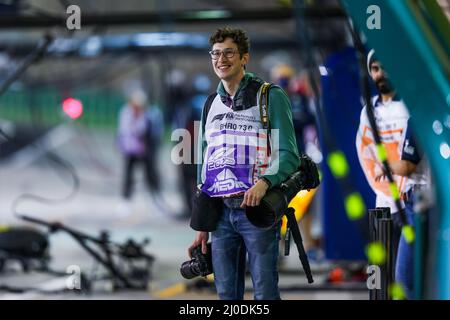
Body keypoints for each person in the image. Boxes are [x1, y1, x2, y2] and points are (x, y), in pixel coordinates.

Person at [188, 27, 300, 300]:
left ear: (244, 57)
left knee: (265, 294)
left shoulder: (269, 96)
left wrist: (265, 183)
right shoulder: (210, 103)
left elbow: (289, 154)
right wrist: (203, 223)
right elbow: (206, 165)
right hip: (221, 216)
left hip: (257, 213)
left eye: (229, 53)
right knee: (226, 295)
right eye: (215, 53)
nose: (221, 59)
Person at [356, 49, 428, 299]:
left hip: (414, 199)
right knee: (378, 277)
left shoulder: (414, 105)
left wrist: (390, 172)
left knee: (406, 278)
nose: (380, 74)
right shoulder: (368, 111)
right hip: (383, 200)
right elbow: (365, 153)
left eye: (385, 67)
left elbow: (408, 164)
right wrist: (383, 186)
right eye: (375, 68)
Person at [117, 90, 159, 204]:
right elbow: (124, 130)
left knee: (150, 173)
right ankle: (126, 198)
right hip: (130, 149)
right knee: (128, 175)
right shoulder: (125, 113)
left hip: (143, 149)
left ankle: (154, 198)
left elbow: (145, 130)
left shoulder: (147, 114)